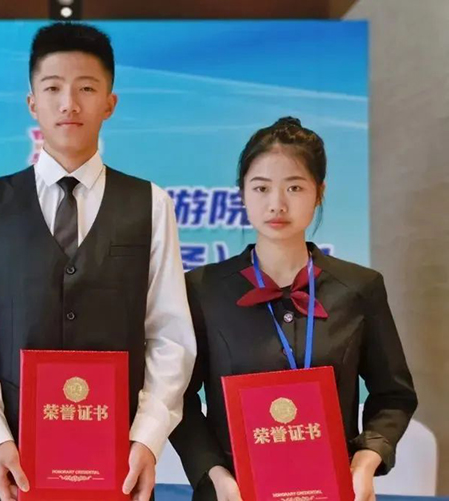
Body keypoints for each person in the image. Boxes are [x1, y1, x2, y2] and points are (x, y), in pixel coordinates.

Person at [0, 22, 197, 501]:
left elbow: (169, 334)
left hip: (119, 458)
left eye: (86, 89)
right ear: (32, 103)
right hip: (15, 457)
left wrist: (147, 437)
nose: (69, 104)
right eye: (53, 88)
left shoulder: (150, 204)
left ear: (110, 103)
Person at [169, 117, 418, 501]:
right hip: (235, 494)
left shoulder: (360, 288)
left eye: (295, 187)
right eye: (261, 188)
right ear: (242, 194)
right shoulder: (203, 289)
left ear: (319, 193)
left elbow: (393, 396)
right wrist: (217, 476)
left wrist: (364, 464)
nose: (277, 204)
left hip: (333, 490)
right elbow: (179, 399)